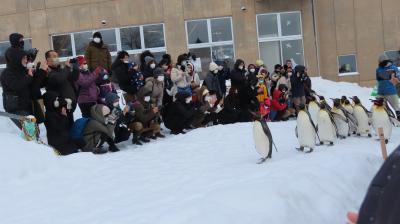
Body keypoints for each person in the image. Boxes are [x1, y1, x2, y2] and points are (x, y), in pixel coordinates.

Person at [44, 50, 79, 127]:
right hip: (59, 109)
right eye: (54, 56)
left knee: (71, 131)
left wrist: (75, 67)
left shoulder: (61, 70)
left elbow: (74, 78)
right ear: (48, 59)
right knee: (64, 133)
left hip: (69, 107)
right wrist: (66, 67)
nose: (57, 58)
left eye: (57, 56)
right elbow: (59, 79)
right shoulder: (47, 71)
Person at [1, 49, 33, 129]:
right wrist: (29, 77)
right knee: (29, 133)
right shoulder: (7, 73)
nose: (26, 61)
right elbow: (16, 85)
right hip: (15, 110)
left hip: (24, 107)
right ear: (17, 59)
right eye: (24, 58)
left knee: (32, 133)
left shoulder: (21, 71)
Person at [43, 91, 79, 156]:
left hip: (64, 140)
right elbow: (58, 127)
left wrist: (68, 112)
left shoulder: (55, 111)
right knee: (73, 150)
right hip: (57, 144)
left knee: (79, 143)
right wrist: (64, 116)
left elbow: (67, 124)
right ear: (50, 101)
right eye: (56, 100)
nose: (58, 102)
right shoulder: (48, 115)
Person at [376, 53, 400, 118]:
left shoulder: (393, 68)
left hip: (391, 92)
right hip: (380, 93)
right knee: (379, 108)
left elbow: (398, 78)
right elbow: (378, 80)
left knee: (396, 108)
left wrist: (395, 79)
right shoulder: (378, 69)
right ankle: (387, 119)